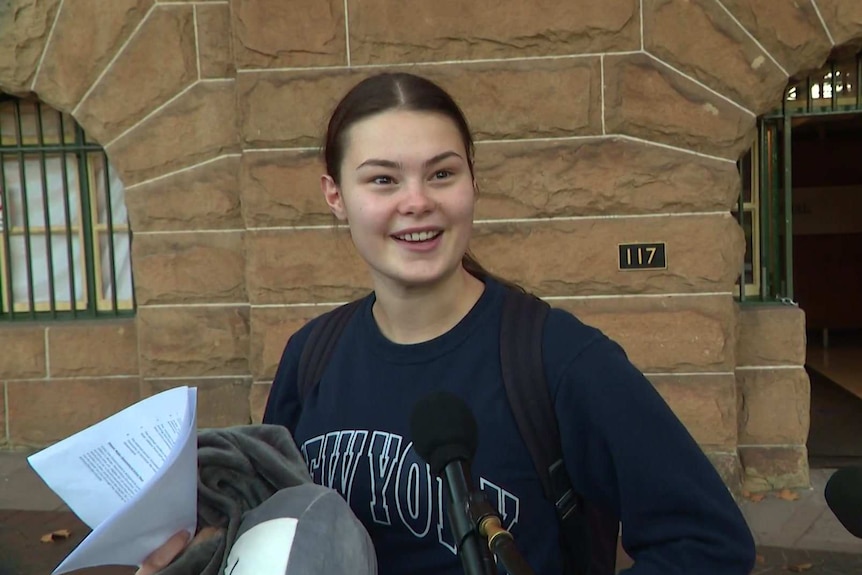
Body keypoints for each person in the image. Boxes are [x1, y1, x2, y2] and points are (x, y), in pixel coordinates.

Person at [139, 72, 756, 575]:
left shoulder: (561, 362)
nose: (417, 201)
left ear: (472, 182)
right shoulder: (312, 356)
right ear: (335, 196)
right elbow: (280, 535)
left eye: (442, 173)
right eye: (383, 179)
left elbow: (708, 545)